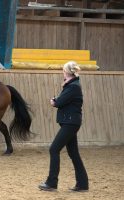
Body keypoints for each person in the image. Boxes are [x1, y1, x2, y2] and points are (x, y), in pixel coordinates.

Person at [39, 61, 89, 192]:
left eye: (63, 70)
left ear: (66, 72)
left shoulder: (73, 87)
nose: (62, 72)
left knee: (53, 149)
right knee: (74, 153)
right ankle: (83, 184)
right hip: (71, 122)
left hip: (70, 123)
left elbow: (59, 102)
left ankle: (51, 182)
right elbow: (63, 100)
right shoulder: (72, 85)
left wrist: (54, 101)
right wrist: (57, 101)